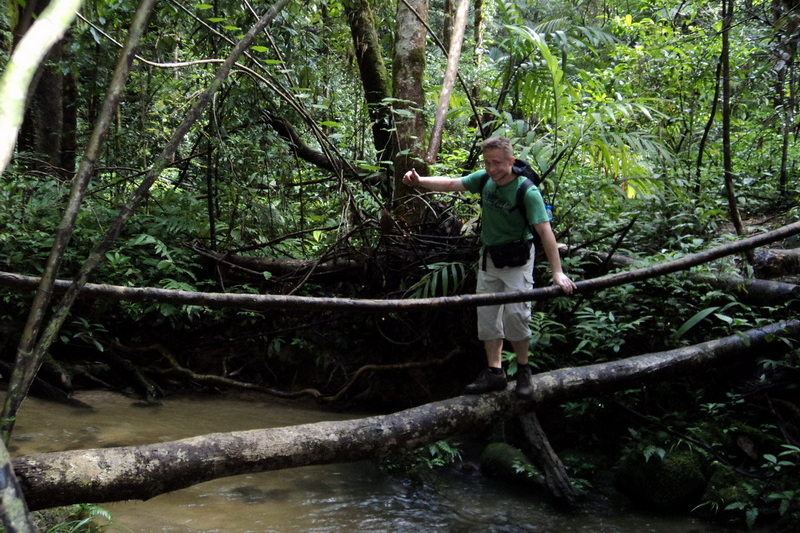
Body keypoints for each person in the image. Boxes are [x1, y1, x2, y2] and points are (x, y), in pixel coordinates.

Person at [402, 136, 576, 397]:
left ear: (511, 161)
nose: (492, 168)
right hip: (489, 259)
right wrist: (419, 182)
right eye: (487, 163)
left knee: (516, 315)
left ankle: (524, 369)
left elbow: (545, 232)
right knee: (487, 317)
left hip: (518, 260)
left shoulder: (526, 191)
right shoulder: (484, 180)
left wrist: (557, 272)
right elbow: (452, 184)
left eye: (497, 163)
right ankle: (495, 372)